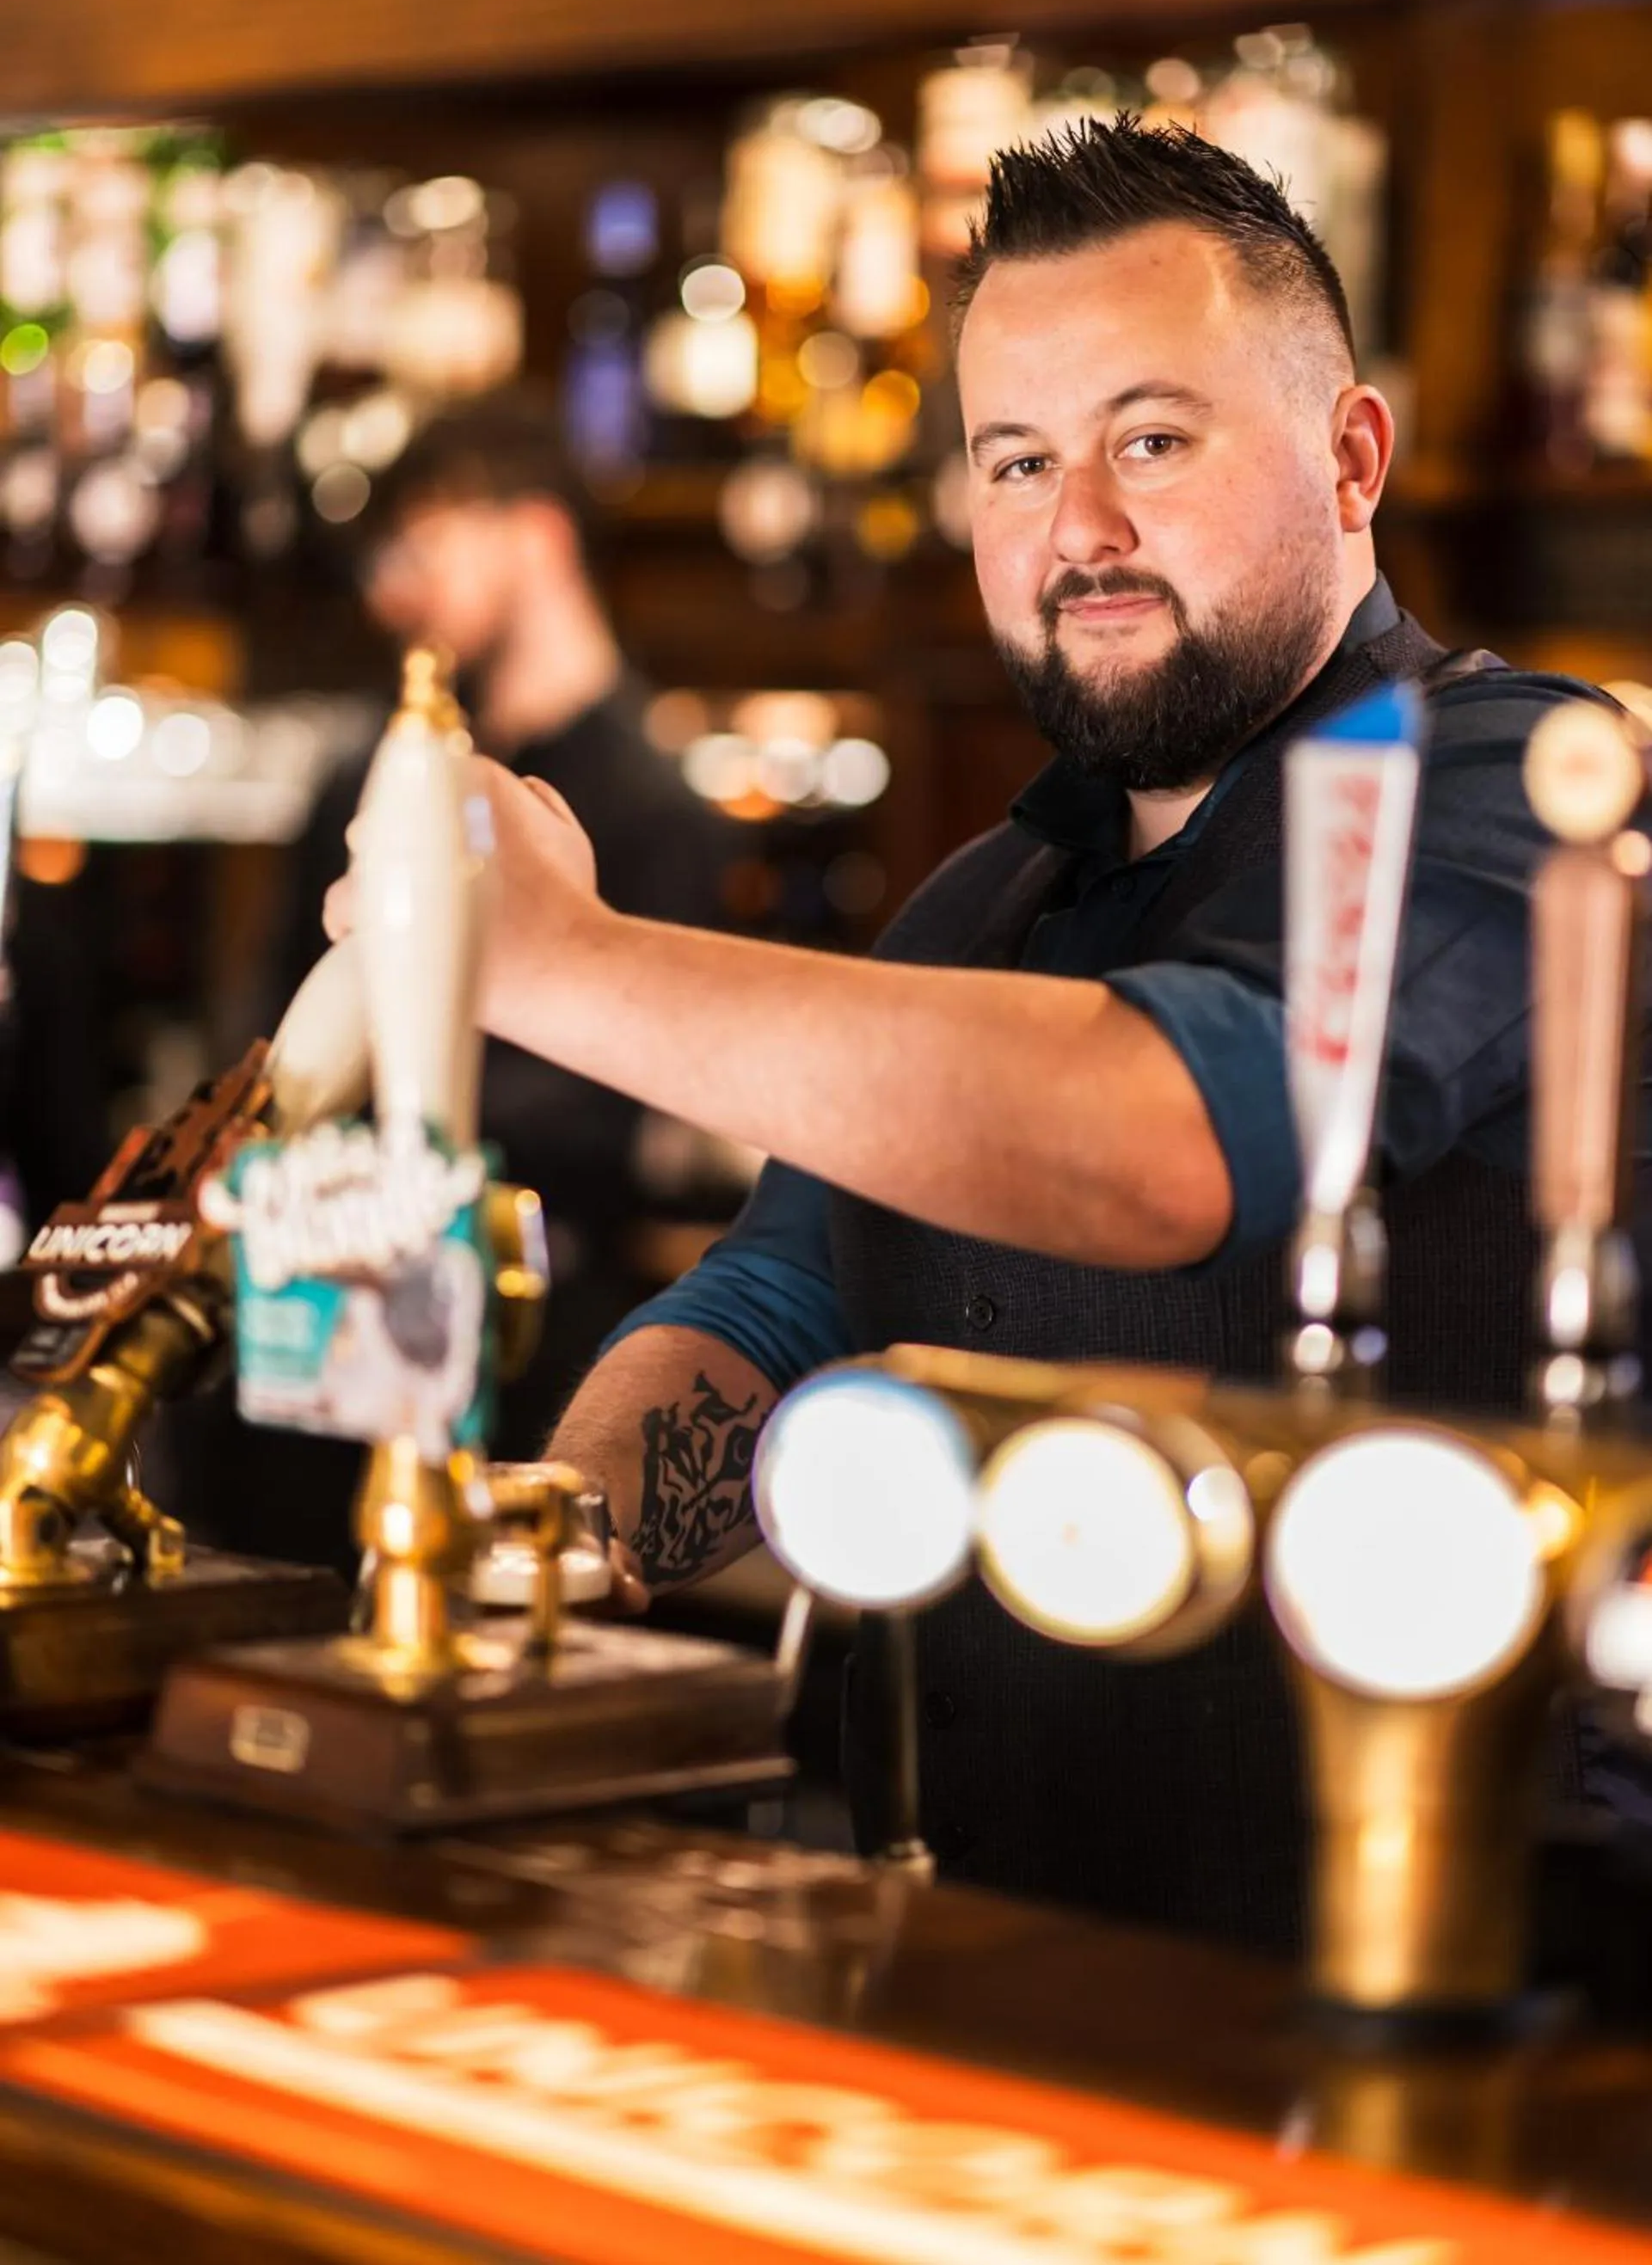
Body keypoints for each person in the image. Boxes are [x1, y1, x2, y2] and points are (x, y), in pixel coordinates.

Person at [329, 122, 1621, 1951]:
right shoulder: (984, 902)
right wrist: (556, 1542)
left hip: (1458, 1980)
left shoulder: (1516, 798)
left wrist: (542, 957)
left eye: (1150, 442)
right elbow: (774, 1308)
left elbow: (1186, 1129)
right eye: (1017, 461)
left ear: (1352, 460)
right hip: (1006, 1949)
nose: (1077, 527)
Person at [164, 385, 731, 1572]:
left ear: (537, 534)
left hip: (526, 1304)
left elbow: (620, 1106)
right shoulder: (369, 780)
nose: (391, 591)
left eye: (423, 546)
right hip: (317, 1284)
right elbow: (267, 1023)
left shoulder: (654, 810)